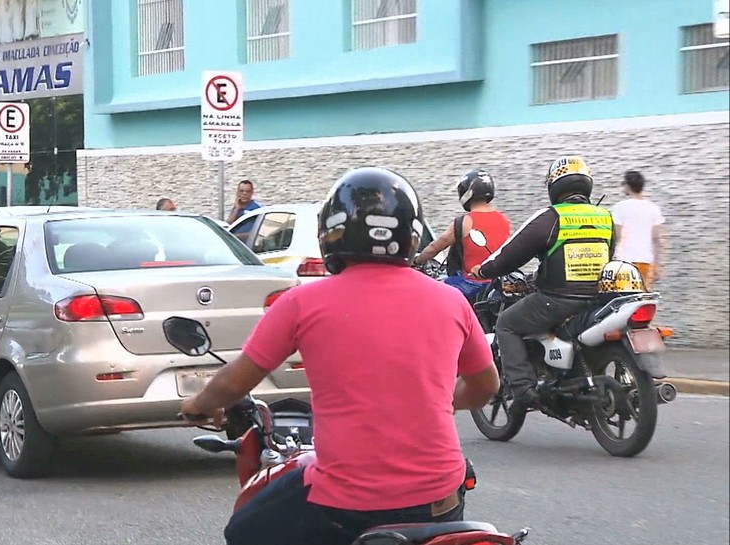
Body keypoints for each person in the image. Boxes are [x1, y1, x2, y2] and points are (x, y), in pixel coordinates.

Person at [180, 167, 500, 545]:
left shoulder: (302, 302)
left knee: (243, 531)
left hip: (347, 504)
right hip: (441, 499)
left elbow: (237, 380)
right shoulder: (451, 301)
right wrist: (441, 401)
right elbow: (485, 385)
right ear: (411, 235)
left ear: (331, 232)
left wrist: (199, 404)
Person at [470, 156, 615, 416]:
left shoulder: (552, 217)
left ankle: (524, 389)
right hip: (597, 300)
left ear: (555, 186)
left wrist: (484, 269)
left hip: (558, 300)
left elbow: (512, 252)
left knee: (507, 323)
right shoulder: (606, 217)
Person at [413, 169, 511, 301]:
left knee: (430, 292)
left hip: (472, 283)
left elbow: (435, 247)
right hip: (497, 283)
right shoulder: (504, 220)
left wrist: (417, 261)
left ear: (466, 192)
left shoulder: (464, 221)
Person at [610, 171, 664, 291]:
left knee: (624, 298)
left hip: (623, 262)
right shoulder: (653, 209)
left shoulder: (619, 207)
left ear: (627, 186)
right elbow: (656, 239)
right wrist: (657, 265)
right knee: (643, 298)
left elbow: (616, 236)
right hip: (646, 261)